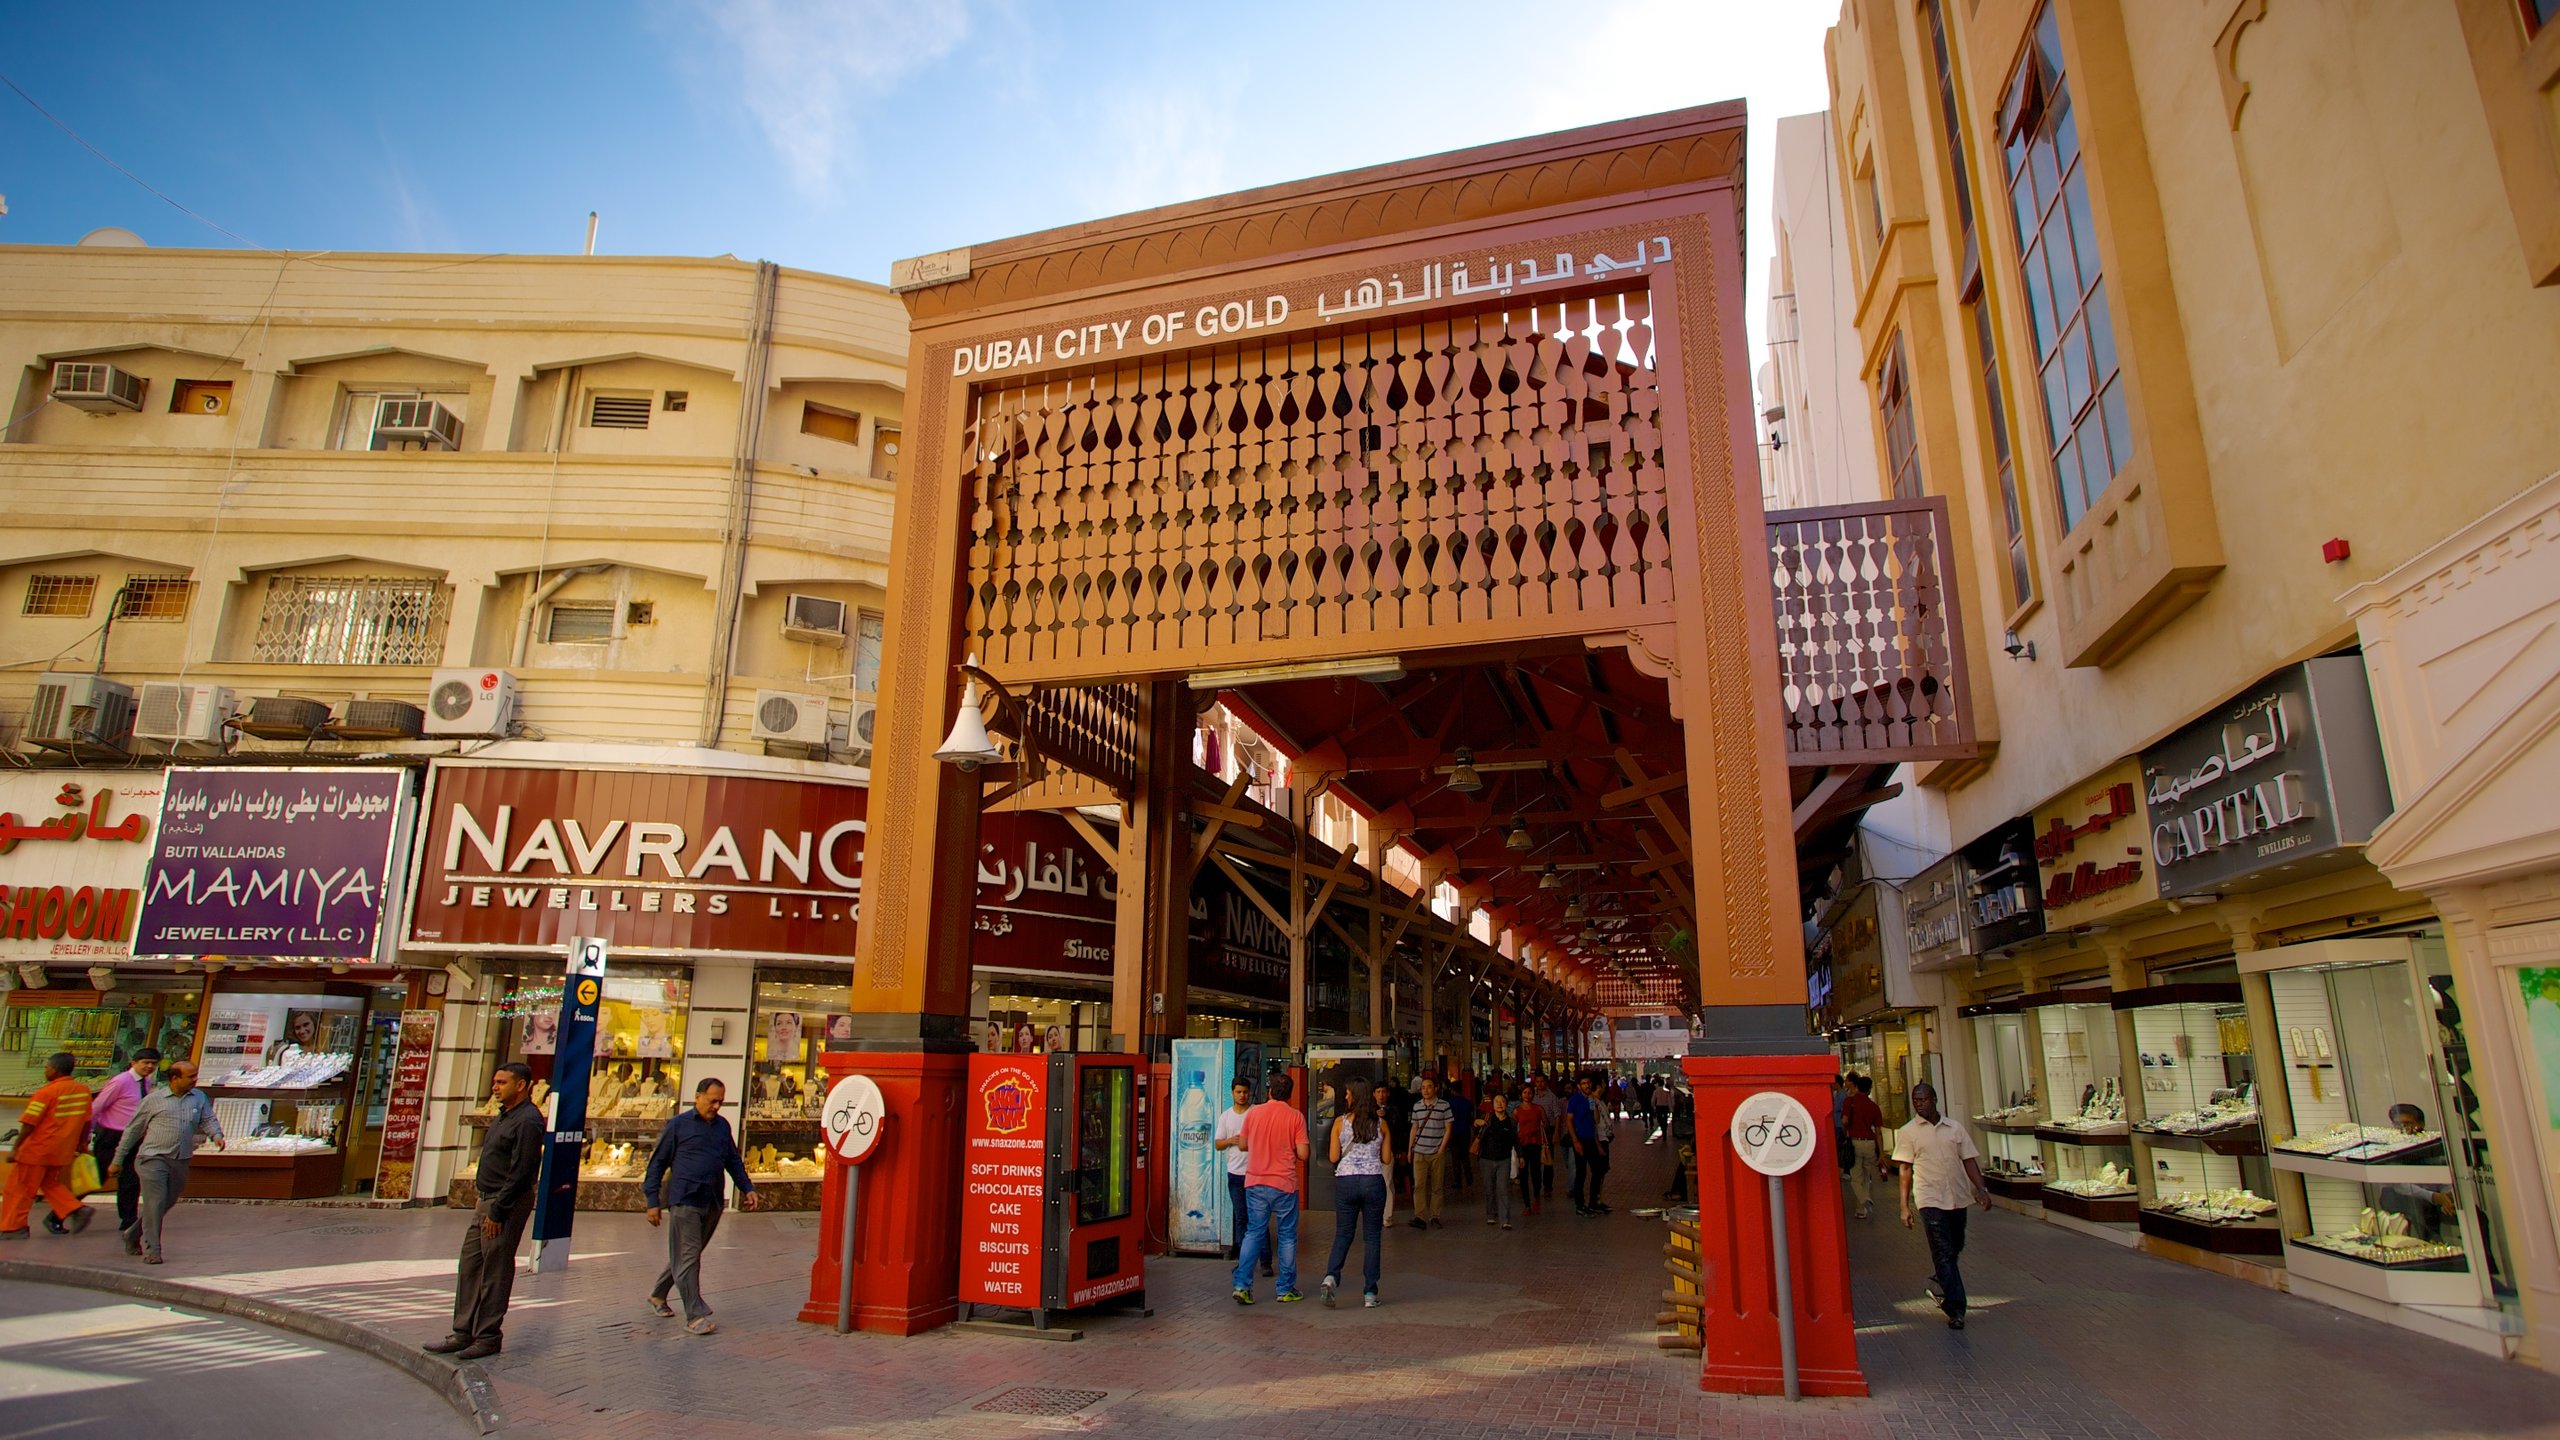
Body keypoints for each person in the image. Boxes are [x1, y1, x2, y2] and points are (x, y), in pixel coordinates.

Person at [427, 1062, 544, 1360]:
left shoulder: (528, 1120)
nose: (495, 1087)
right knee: (470, 1266)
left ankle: (488, 1335)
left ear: (521, 1085)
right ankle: (462, 1331)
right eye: (495, 1081)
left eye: (502, 1082)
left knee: (495, 1269)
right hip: (486, 1200)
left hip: (503, 1203)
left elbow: (522, 1171)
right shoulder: (504, 1116)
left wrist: (498, 1211)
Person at [644, 1077, 760, 1334]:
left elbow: (732, 1160)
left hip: (712, 1201)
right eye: (712, 1100)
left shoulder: (722, 1127)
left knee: (689, 1255)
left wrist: (747, 1188)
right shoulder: (678, 1126)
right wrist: (652, 1202)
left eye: (720, 1101)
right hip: (684, 1200)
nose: (717, 1106)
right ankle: (695, 1316)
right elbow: (657, 1164)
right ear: (698, 1097)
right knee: (689, 1258)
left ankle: (658, 1294)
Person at [1893, 1081, 1993, 1330]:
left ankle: (1941, 1279)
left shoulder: (1955, 1129)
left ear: (1934, 1099)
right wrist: (1904, 1207)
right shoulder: (1908, 1132)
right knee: (1943, 1251)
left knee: (1955, 1245)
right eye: (1915, 1100)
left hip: (1958, 1197)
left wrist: (1981, 1189)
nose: (1919, 1104)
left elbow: (1969, 1160)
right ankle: (1956, 1308)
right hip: (1930, 1199)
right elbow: (1905, 1169)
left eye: (1923, 1099)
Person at [110, 1059, 222, 1263]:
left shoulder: (198, 1097)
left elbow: (208, 1119)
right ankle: (153, 1249)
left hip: (181, 1158)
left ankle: (132, 1234)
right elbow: (132, 1131)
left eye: (196, 1076)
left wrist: (216, 1135)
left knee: (164, 1203)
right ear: (174, 1078)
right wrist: (117, 1160)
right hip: (153, 1158)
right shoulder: (154, 1100)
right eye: (191, 1077)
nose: (195, 1080)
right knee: (155, 1201)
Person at [1231, 1073, 1308, 1305]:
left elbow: (1243, 1145)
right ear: (1290, 1094)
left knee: (1253, 1232)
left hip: (1255, 1182)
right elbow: (1303, 1154)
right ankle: (1285, 1289)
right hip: (1284, 1184)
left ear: (1269, 1091)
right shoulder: (1295, 1116)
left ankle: (1242, 1285)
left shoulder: (1253, 1113)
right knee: (1286, 1236)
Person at [2, 1052, 94, 1241]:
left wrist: (16, 1148)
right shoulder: (83, 1091)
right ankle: (76, 1209)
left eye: (46, 1067)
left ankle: (13, 1228)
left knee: (20, 1189)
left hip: (37, 1149)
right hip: (62, 1151)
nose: (45, 1070)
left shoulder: (46, 1093)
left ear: (55, 1070)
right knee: (50, 1184)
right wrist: (82, 1143)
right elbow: (86, 1121)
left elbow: (29, 1123)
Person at [1321, 1086, 1393, 1308]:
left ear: (1354, 1097)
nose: (1345, 1096)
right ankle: (1370, 1293)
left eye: (1347, 1093)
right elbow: (1387, 1159)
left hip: (1346, 1182)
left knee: (1343, 1233)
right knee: (1372, 1237)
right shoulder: (1381, 1124)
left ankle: (1331, 1277)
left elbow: (1334, 1156)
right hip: (1373, 1181)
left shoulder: (1340, 1123)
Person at [90, 1047, 160, 1238]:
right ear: (134, 1063)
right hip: (111, 1135)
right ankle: (61, 1212)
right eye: (145, 1062)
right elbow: (97, 1106)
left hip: (133, 1136)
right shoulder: (120, 1081)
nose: (149, 1066)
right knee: (98, 1176)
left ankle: (128, 1220)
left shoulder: (146, 1082)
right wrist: (88, 1132)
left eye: (153, 1063)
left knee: (130, 1178)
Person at [1211, 1078, 1271, 1275]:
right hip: (1235, 1174)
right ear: (1232, 1093)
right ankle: (1244, 1260)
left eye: (1245, 1092)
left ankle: (1265, 1261)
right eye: (1238, 1092)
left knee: (1260, 1217)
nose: (1242, 1095)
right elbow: (1218, 1143)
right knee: (1241, 1217)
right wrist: (1231, 1140)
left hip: (1256, 1172)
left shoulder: (1256, 1112)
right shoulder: (1226, 1116)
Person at [1406, 1074, 1454, 1230]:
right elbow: (1414, 1127)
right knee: (1419, 1185)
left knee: (1437, 1186)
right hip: (1419, 1151)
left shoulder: (1444, 1105)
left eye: (1429, 1087)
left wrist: (1441, 1149)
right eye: (1423, 1088)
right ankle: (1420, 1216)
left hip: (1436, 1151)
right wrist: (1410, 1149)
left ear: (1436, 1088)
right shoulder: (1417, 1106)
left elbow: (1448, 1129)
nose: (1425, 1090)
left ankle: (1435, 1215)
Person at [1472, 1092, 1519, 1230]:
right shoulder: (1486, 1118)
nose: (1499, 1104)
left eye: (1502, 1101)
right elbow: (1477, 1134)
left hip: (1504, 1159)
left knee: (1503, 1188)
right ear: (1492, 1105)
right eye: (1496, 1102)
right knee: (1489, 1188)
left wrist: (1520, 1156)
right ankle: (1491, 1214)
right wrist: (1476, 1124)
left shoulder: (1511, 1122)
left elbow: (1515, 1140)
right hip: (1486, 1159)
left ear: (1506, 1104)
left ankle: (1505, 1219)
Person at [1843, 1074, 1886, 1220]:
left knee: (1856, 1178)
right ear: (1869, 1090)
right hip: (1870, 1143)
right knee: (1866, 1177)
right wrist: (1881, 1152)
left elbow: (1844, 1120)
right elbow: (1879, 1132)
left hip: (1854, 1143)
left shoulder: (1849, 1102)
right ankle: (1861, 1210)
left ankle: (1863, 1200)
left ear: (1857, 1087)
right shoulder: (1874, 1107)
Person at [1569, 1074, 1611, 1216]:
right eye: (1583, 1083)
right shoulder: (1575, 1100)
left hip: (1591, 1140)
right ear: (1579, 1086)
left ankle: (1593, 1202)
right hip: (1580, 1139)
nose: (1586, 1085)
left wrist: (1593, 1103)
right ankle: (1580, 1205)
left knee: (1598, 1170)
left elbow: (1596, 1120)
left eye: (1588, 1083)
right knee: (1581, 1173)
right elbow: (1569, 1121)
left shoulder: (1592, 1100)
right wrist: (1575, 1141)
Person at [1512, 1079, 1549, 1215]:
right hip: (1522, 1145)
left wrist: (1538, 1129)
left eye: (1529, 1093)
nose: (1527, 1095)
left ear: (1533, 1095)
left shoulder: (1538, 1109)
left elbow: (1546, 1123)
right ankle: (1527, 1204)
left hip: (1536, 1143)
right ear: (1521, 1095)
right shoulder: (1517, 1111)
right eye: (1525, 1093)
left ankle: (1536, 1196)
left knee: (1535, 1173)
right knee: (1523, 1174)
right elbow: (1513, 1129)